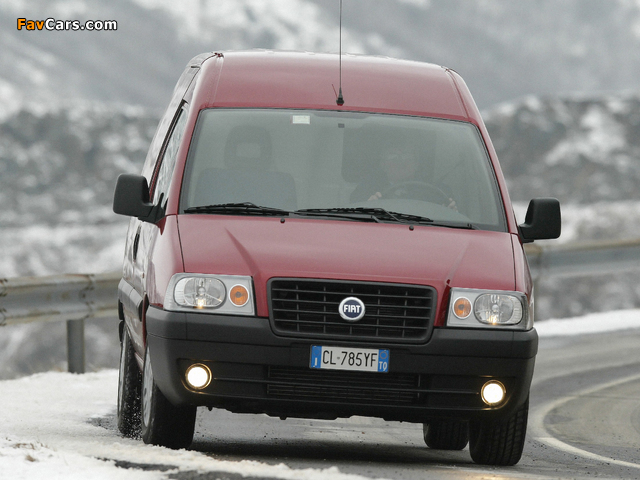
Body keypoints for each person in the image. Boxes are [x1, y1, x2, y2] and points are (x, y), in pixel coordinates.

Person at [350, 143, 457, 210]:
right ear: (383, 164)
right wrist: (367, 209)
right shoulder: (366, 190)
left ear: (416, 164)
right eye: (393, 156)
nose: (401, 162)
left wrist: (450, 212)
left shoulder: (437, 192)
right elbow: (354, 224)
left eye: (407, 156)